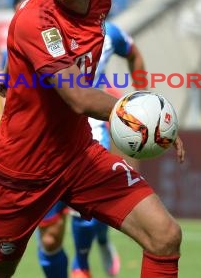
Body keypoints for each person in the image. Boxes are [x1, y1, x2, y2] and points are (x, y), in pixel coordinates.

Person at [0, 0, 185, 278]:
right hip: (21, 173)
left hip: (78, 158)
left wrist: (14, 76)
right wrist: (149, 117)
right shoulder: (36, 20)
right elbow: (79, 98)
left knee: (165, 235)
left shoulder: (100, 2)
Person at [36, 20, 146, 278]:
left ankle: (82, 264)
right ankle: (101, 239)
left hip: (92, 131)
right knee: (51, 238)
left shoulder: (111, 34)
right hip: (46, 141)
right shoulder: (41, 33)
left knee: (86, 210)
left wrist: (143, 100)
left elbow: (134, 54)